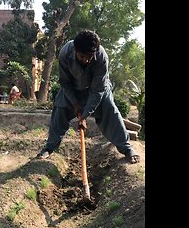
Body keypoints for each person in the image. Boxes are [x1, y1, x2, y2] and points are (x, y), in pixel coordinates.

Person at [37, 30, 141, 164]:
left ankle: (126, 148)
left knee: (110, 110)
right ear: (75, 49)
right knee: (59, 110)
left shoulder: (102, 57)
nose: (86, 60)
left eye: (89, 57)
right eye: (81, 56)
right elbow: (65, 82)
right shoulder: (65, 53)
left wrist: (84, 115)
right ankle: (49, 147)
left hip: (98, 89)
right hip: (72, 89)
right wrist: (75, 104)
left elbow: (97, 90)